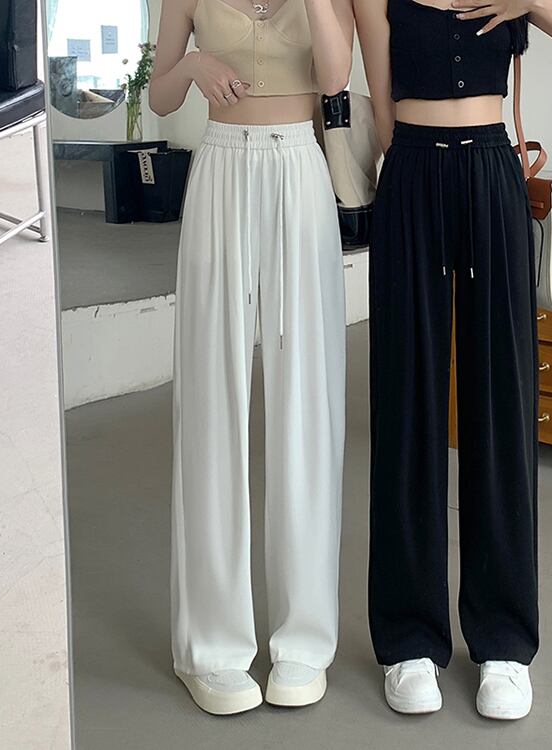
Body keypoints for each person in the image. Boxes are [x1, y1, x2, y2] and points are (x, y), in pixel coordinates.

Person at [353, 0, 552, 718]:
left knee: (502, 402)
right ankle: (409, 639)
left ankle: (503, 642)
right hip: (411, 174)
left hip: (492, 171)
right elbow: (382, 115)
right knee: (406, 397)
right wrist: (413, 179)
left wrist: (533, 1)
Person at [149, 0, 353, 715]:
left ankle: (304, 641)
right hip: (220, 169)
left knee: (307, 403)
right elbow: (159, 94)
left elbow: (337, 77)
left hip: (299, 166)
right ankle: (210, 646)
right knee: (212, 399)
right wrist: (192, 64)